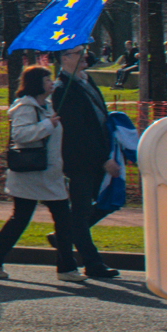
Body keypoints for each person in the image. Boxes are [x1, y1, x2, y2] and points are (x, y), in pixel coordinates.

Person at [0, 65, 87, 281]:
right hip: (32, 174)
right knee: (52, 219)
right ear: (37, 83)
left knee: (31, 219)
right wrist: (48, 124)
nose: (52, 83)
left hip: (46, 174)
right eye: (47, 80)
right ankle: (66, 268)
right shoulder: (26, 107)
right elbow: (20, 135)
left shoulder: (45, 105)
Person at [48, 47, 121, 281]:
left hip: (96, 155)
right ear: (64, 58)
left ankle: (64, 235)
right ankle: (92, 262)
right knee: (81, 212)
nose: (85, 55)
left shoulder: (84, 81)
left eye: (85, 51)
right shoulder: (62, 89)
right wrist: (103, 159)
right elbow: (77, 132)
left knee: (106, 202)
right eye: (78, 52)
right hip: (80, 161)